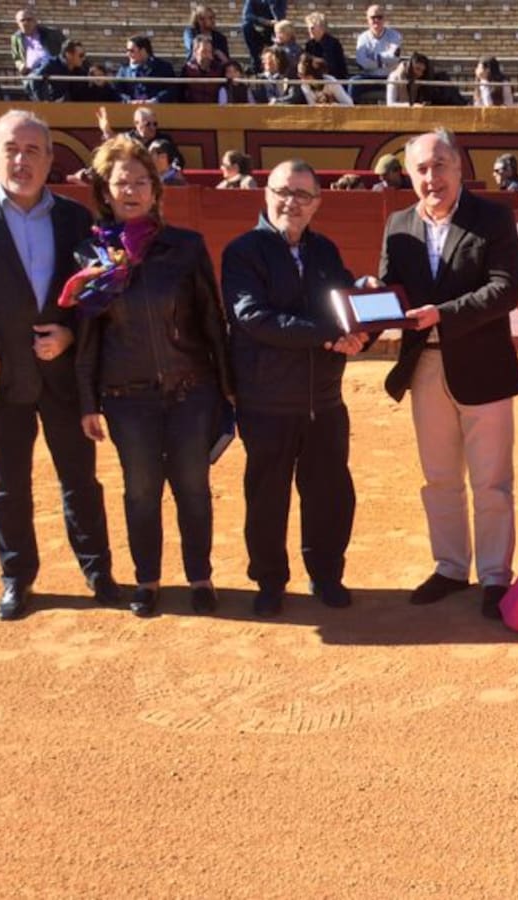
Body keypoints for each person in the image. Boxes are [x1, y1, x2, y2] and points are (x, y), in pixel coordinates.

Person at [0, 109, 116, 621]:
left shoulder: (75, 217)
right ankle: (17, 577)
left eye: (33, 150)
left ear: (50, 159)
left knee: (80, 479)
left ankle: (98, 572)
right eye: (11, 148)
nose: (21, 159)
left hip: (61, 373)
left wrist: (71, 333)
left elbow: (93, 298)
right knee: (7, 483)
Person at [73, 136, 232, 618]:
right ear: (104, 190)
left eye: (142, 181)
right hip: (126, 396)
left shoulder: (185, 246)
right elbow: (87, 336)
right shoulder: (91, 254)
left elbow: (211, 319)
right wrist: (86, 400)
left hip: (190, 390)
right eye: (122, 182)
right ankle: (148, 580)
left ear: (156, 189)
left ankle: (200, 576)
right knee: (141, 490)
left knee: (192, 486)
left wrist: (228, 387)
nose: (132, 190)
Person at [378, 129, 518, 618]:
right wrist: (367, 300)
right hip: (425, 365)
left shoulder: (492, 218)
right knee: (439, 477)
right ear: (409, 174)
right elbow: (389, 288)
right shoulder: (399, 224)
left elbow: (504, 291)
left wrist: (442, 312)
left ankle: (495, 576)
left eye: (440, 165)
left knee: (492, 481)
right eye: (421, 168)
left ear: (459, 167)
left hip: (482, 363)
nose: (431, 177)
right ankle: (449, 565)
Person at [222, 161, 367, 616]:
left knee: (330, 492)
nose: (293, 203)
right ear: (266, 194)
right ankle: (268, 579)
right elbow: (254, 318)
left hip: (323, 399)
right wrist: (327, 334)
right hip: (267, 400)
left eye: (304, 195)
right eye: (285, 191)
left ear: (317, 203)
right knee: (267, 495)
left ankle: (326, 574)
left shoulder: (324, 250)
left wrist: (366, 323)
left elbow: (347, 306)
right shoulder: (243, 251)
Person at [97, 106, 185, 170]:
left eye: (155, 124)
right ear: (137, 124)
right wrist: (106, 130)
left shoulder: (164, 139)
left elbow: (179, 160)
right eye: (148, 124)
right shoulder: (127, 139)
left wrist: (173, 168)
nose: (152, 128)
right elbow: (112, 150)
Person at [354, 4, 402, 102]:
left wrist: (372, 58)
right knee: (352, 83)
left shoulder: (395, 36)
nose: (376, 20)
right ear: (367, 19)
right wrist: (383, 62)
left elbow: (394, 58)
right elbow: (362, 61)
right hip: (369, 77)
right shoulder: (362, 38)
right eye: (373, 17)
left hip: (389, 77)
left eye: (379, 17)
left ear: (384, 19)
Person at [116, 35, 178, 104]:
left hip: (158, 110)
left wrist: (155, 100)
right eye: (127, 51)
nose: (128, 54)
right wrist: (128, 101)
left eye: (131, 51)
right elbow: (117, 91)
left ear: (143, 51)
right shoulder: (124, 69)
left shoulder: (163, 67)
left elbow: (171, 89)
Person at [32, 39, 96, 103]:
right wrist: (44, 102)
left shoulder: (83, 68)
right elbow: (35, 80)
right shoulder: (51, 65)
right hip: (55, 107)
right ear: (68, 54)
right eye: (81, 55)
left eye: (84, 55)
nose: (83, 58)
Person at [10, 8, 64, 76]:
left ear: (35, 21)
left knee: (46, 65)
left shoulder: (51, 33)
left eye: (29, 19)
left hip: (52, 70)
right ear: (18, 23)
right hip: (31, 71)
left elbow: (66, 48)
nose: (26, 23)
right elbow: (16, 57)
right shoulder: (16, 38)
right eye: (22, 20)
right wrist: (21, 66)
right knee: (34, 78)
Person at [288, 55, 355, 105]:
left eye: (302, 75)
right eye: (299, 74)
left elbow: (349, 104)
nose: (299, 77)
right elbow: (312, 106)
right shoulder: (305, 86)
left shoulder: (330, 81)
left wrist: (334, 105)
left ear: (312, 74)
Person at [241, 0, 287, 70]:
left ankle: (276, 63)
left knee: (281, 29)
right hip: (257, 27)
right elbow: (247, 15)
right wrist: (263, 21)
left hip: (272, 29)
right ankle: (256, 61)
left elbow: (280, 18)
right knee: (246, 26)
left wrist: (272, 5)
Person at [181, 34, 226, 103]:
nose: (207, 56)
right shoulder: (187, 69)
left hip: (214, 110)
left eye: (209, 52)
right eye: (204, 52)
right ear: (195, 52)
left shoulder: (219, 69)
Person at [304, 12, 349, 80]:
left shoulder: (333, 43)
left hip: (333, 79)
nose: (309, 30)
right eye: (309, 28)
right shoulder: (309, 44)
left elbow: (332, 67)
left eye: (312, 28)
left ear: (321, 28)